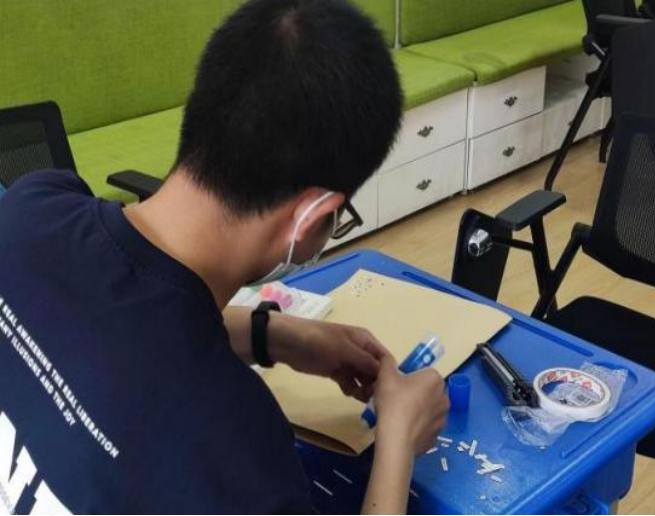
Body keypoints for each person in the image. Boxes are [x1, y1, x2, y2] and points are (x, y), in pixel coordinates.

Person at [0, 0, 449, 514]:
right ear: (311, 215)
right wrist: (398, 441)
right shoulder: (237, 453)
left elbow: (117, 323)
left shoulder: (32, 207)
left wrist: (275, 335)